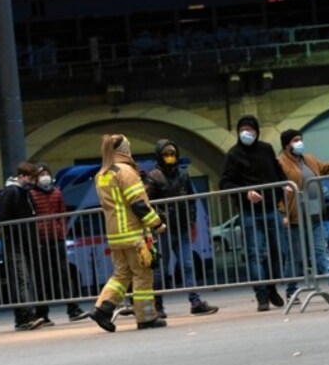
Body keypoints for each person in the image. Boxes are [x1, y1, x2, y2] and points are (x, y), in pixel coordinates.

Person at [88, 134, 168, 332]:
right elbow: (138, 203)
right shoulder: (126, 172)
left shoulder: (102, 173)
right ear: (124, 149)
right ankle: (146, 317)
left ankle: (102, 309)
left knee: (121, 274)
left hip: (115, 235)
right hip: (133, 233)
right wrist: (157, 224)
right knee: (142, 274)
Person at [276, 128, 329, 302]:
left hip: (314, 213)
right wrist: (282, 212)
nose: (299, 143)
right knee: (296, 257)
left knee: (321, 251)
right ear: (286, 145)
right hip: (294, 217)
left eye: (300, 139)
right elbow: (277, 190)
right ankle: (291, 291)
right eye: (295, 140)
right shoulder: (279, 163)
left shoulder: (309, 159)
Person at [219, 115, 290, 312]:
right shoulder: (233, 155)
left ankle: (272, 286)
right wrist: (246, 193)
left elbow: (277, 170)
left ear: (257, 131)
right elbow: (225, 182)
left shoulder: (266, 149)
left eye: (250, 129)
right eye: (243, 129)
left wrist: (284, 187)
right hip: (249, 212)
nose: (246, 133)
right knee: (255, 253)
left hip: (270, 208)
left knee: (279, 250)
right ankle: (261, 295)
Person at [143, 139, 218, 317]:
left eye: (172, 154)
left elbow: (191, 199)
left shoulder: (183, 175)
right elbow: (148, 202)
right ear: (159, 156)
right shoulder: (153, 177)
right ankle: (158, 306)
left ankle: (195, 301)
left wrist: (191, 221)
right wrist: (156, 223)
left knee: (187, 265)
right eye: (166, 154)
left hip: (182, 227)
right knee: (161, 269)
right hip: (163, 229)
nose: (170, 157)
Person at [29, 162, 89, 325]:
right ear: (35, 178)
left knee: (64, 275)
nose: (45, 177)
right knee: (43, 278)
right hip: (41, 242)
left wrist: (61, 230)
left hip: (57, 239)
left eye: (46, 173)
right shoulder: (32, 195)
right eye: (41, 174)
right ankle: (42, 314)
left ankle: (73, 309)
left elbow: (62, 213)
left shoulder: (56, 193)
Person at [0, 161, 46, 331]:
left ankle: (24, 317)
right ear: (22, 176)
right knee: (22, 279)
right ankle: (24, 317)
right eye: (31, 178)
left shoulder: (23, 192)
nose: (33, 181)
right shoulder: (13, 192)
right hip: (15, 242)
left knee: (24, 279)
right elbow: (2, 218)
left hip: (22, 241)